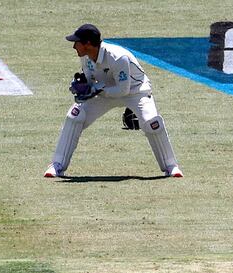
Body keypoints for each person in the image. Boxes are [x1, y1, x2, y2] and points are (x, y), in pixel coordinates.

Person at [43, 24, 182, 178]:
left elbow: (123, 90)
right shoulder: (85, 57)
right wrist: (84, 87)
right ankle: (57, 165)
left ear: (88, 44)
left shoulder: (117, 57)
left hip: (135, 91)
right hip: (105, 92)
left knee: (152, 123)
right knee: (75, 115)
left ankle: (171, 166)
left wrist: (97, 90)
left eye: (77, 42)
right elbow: (91, 80)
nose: (74, 46)